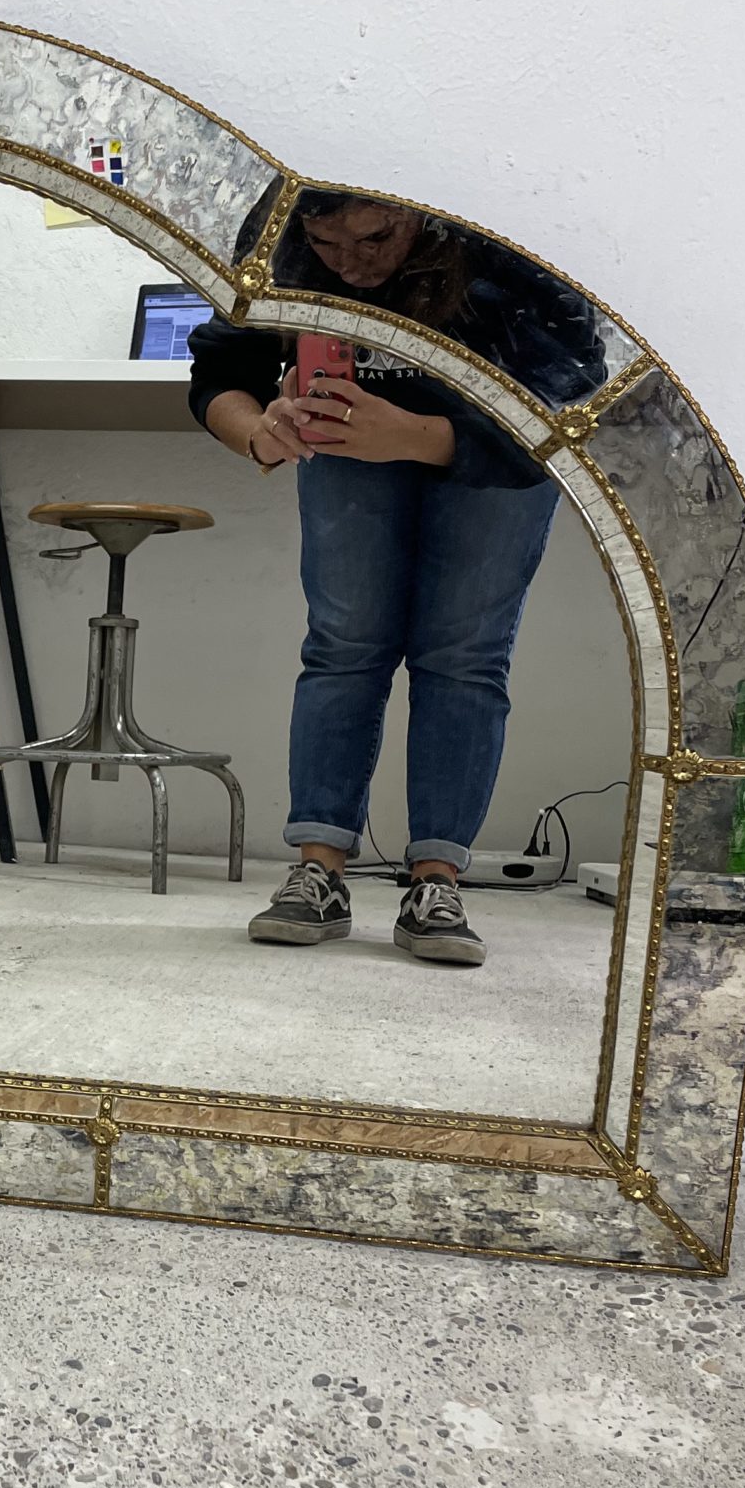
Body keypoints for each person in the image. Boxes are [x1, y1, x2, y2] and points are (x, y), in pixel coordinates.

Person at [188, 191, 607, 965]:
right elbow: (221, 367)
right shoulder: (280, 224)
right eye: (326, 244)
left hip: (498, 458)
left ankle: (436, 882)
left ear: (422, 212)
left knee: (465, 654)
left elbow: (572, 399)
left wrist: (416, 435)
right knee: (343, 643)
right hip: (347, 438)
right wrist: (261, 434)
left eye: (375, 237)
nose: (349, 263)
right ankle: (318, 871)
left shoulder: (502, 228)